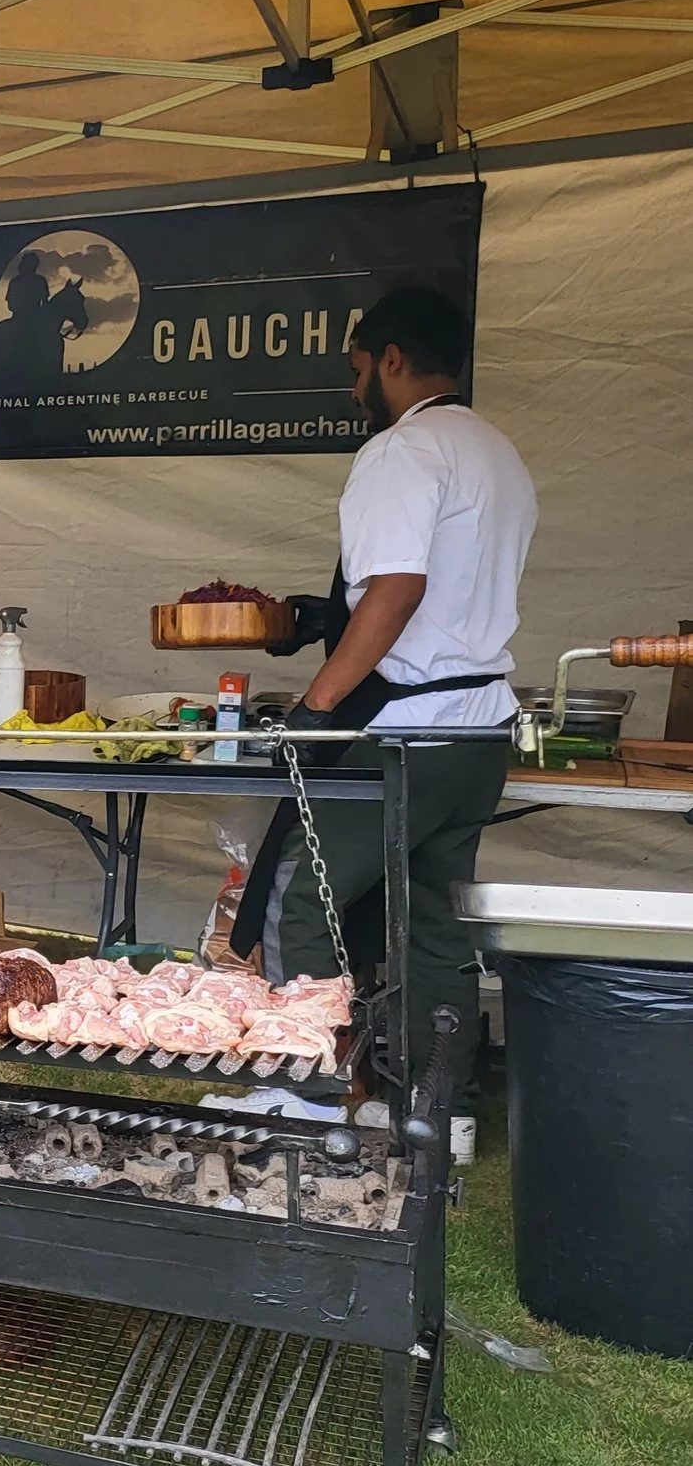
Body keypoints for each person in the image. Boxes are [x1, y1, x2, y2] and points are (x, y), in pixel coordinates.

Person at [239, 287, 536, 1111]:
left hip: (411, 734)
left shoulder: (404, 451)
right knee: (437, 926)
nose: (354, 385)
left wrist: (315, 709)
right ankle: (433, 1104)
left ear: (392, 360)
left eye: (358, 366)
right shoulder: (496, 451)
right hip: (480, 734)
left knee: (304, 899)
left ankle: (303, 1099)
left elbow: (399, 588)